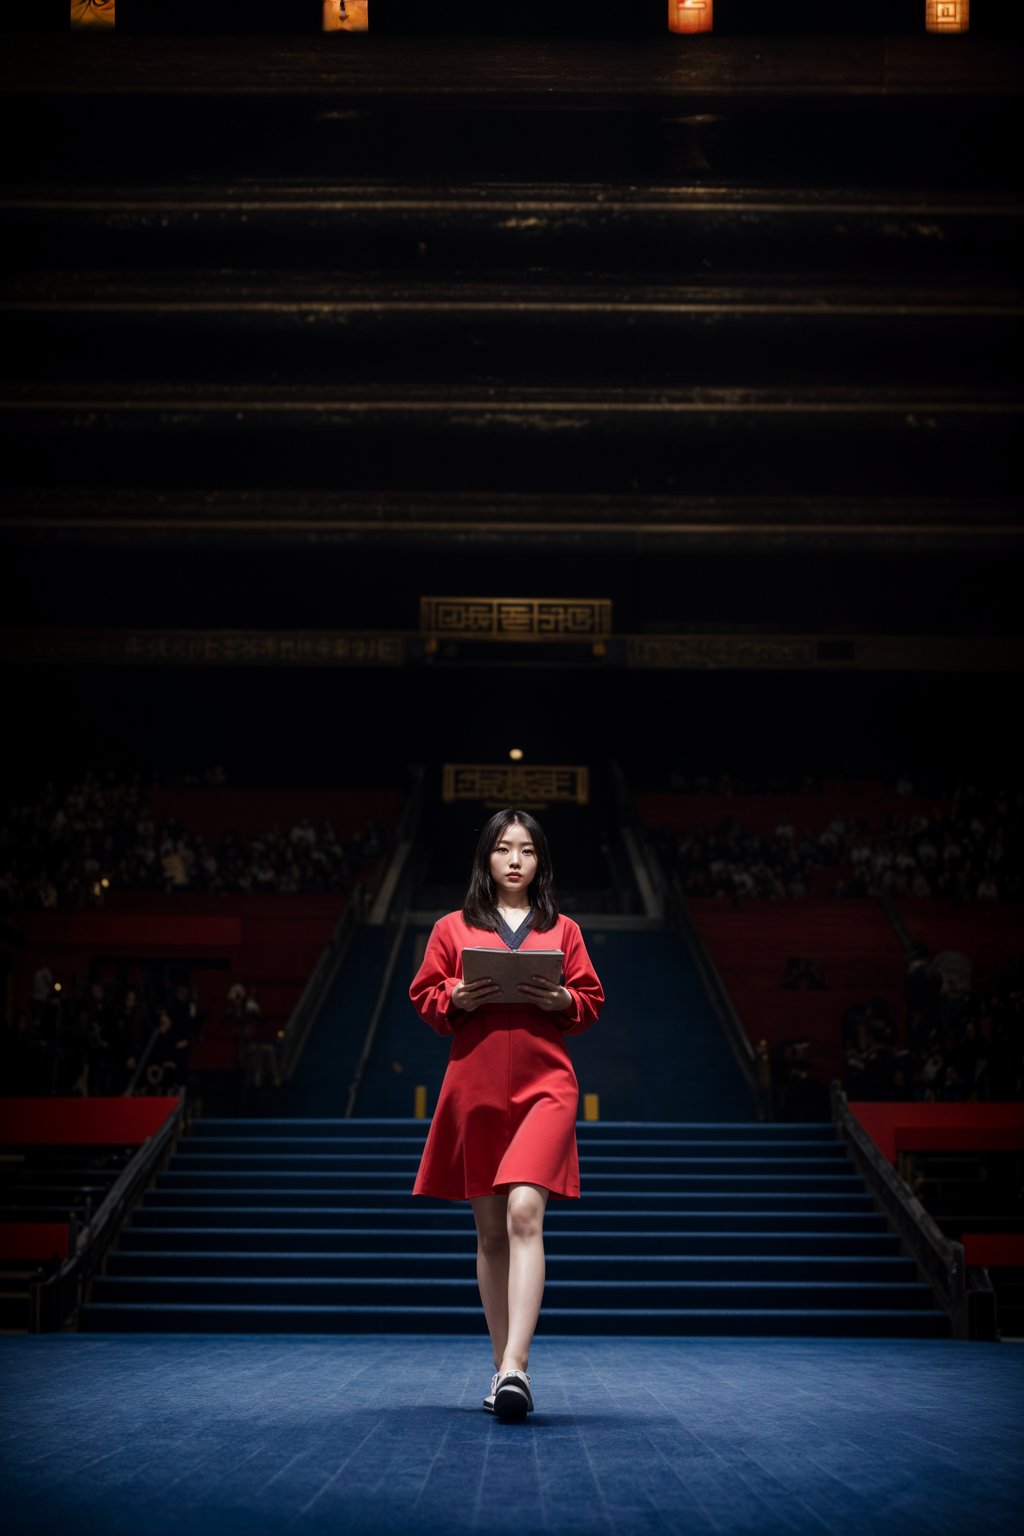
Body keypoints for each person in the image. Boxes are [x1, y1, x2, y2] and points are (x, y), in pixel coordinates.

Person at [409, 809, 604, 1421]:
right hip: (476, 1085)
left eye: (526, 850)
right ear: (485, 860)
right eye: (502, 849)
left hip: (547, 1084)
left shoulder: (563, 929)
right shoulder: (452, 928)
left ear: (540, 862)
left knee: (525, 1209)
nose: (514, 860)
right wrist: (454, 996)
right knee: (491, 1232)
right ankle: (503, 1373)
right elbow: (425, 996)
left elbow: (591, 998)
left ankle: (517, 1365)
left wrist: (565, 997)